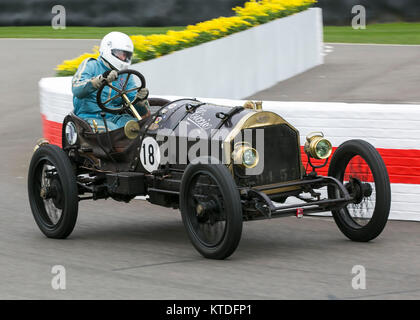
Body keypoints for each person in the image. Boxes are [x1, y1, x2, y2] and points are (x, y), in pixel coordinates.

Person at [72, 31, 150, 131]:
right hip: (89, 117)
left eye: (126, 55)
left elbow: (138, 110)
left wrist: (140, 101)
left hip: (115, 117)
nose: (123, 58)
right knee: (113, 130)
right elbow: (77, 89)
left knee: (139, 128)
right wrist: (98, 80)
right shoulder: (91, 65)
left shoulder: (126, 75)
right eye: (120, 54)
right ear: (108, 49)